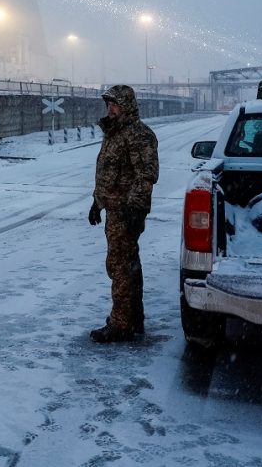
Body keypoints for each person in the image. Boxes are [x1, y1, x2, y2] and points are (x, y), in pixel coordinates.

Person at [87, 84, 159, 343]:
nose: (110, 109)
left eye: (114, 104)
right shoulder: (115, 134)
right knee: (128, 264)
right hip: (114, 210)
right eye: (108, 104)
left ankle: (121, 324)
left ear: (126, 105)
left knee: (119, 266)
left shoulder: (138, 134)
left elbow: (145, 176)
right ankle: (132, 318)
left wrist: (136, 209)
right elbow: (107, 174)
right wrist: (97, 203)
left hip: (127, 211)